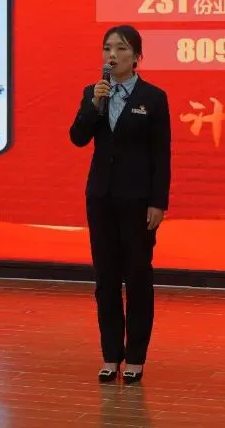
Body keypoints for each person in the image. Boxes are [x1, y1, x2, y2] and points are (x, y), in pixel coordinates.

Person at [69, 25, 171, 385]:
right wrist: (94, 106)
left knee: (138, 277)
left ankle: (136, 357)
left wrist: (158, 202)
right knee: (106, 278)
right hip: (101, 198)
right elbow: (78, 138)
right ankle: (111, 354)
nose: (112, 55)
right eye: (107, 48)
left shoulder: (153, 97)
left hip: (138, 200)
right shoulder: (93, 92)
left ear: (137, 56)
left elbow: (161, 154)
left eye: (121, 48)